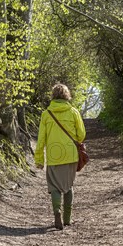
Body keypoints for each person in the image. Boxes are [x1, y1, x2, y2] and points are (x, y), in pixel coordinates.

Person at [34, 83, 86, 230]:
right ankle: (67, 219)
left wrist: (39, 159)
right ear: (67, 95)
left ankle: (57, 212)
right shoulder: (73, 112)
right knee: (68, 186)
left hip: (53, 155)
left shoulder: (46, 114)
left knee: (55, 187)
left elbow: (41, 139)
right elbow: (81, 135)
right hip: (71, 154)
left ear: (53, 96)